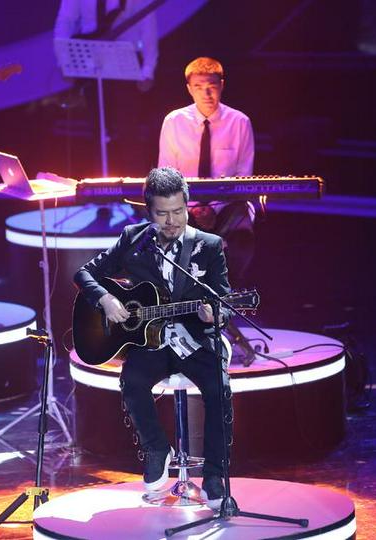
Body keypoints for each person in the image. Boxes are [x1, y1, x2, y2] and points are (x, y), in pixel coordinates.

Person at [74, 167, 232, 509]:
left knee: (218, 388)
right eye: (163, 214)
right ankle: (157, 449)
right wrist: (106, 298)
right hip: (150, 343)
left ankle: (216, 475)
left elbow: (223, 299)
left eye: (179, 211)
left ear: (188, 206)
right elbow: (85, 272)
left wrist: (216, 314)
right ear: (149, 212)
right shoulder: (133, 239)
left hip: (194, 340)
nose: (172, 221)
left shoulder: (208, 246)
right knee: (131, 381)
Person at [157, 57, 255, 282]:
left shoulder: (239, 122)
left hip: (227, 205)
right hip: (185, 205)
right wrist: (195, 208)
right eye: (199, 88)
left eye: (212, 87)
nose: (206, 94)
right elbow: (167, 174)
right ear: (189, 89)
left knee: (241, 236)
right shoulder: (174, 121)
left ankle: (231, 294)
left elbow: (244, 178)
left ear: (222, 85)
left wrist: (213, 209)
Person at [53, 0, 159, 175]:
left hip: (126, 59)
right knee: (97, 130)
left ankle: (133, 190)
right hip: (91, 58)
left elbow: (148, 24)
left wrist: (148, 69)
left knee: (129, 130)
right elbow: (66, 20)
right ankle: (99, 187)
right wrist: (64, 60)